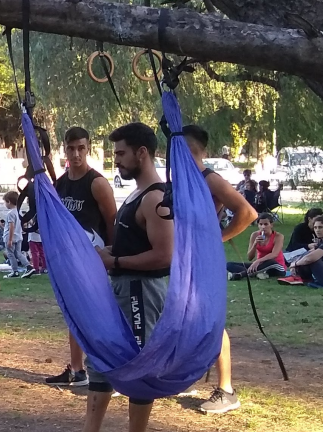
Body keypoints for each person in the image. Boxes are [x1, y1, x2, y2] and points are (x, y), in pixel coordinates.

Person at [88, 123, 174, 432]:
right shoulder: (137, 193)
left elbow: (164, 254)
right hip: (121, 287)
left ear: (142, 153)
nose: (117, 161)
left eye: (121, 154)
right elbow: (134, 241)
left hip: (141, 291)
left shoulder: (155, 198)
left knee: (138, 363)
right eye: (115, 155)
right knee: (101, 356)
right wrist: (105, 252)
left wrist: (115, 259)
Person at [182, 125, 256, 414]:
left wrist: (218, 237)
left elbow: (247, 212)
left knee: (211, 322)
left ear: (190, 151)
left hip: (205, 258)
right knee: (188, 317)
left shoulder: (209, 178)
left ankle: (227, 390)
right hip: (187, 257)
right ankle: (189, 375)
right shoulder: (185, 179)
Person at [46, 127, 118, 387]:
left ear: (88, 148)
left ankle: (107, 369)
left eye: (81, 148)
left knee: (96, 315)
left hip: (95, 260)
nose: (76, 154)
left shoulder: (97, 183)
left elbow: (112, 223)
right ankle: (77, 370)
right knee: (73, 314)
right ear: (63, 148)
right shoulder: (61, 184)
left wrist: (111, 258)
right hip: (68, 261)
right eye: (71, 148)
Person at [226, 213, 286, 280]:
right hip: (260, 265)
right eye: (261, 224)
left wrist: (258, 261)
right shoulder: (255, 235)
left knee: (271, 261)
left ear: (271, 225)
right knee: (229, 264)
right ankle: (256, 273)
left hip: (276, 266)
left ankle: (240, 275)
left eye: (266, 224)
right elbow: (250, 257)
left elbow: (274, 254)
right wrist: (255, 244)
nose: (263, 227)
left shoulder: (278, 236)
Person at [1, 191, 34, 278]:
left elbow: (11, 226)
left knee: (10, 254)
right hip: (19, 236)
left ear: (9, 201)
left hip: (10, 236)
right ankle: (28, 266)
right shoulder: (19, 212)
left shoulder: (10, 214)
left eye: (5, 202)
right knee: (18, 253)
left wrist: (10, 240)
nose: (5, 204)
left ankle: (15, 271)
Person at [289, 216, 323, 287]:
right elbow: (308, 254)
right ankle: (301, 276)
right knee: (306, 255)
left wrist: (295, 264)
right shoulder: (320, 241)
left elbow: (310, 258)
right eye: (315, 227)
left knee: (312, 259)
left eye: (320, 227)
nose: (317, 230)